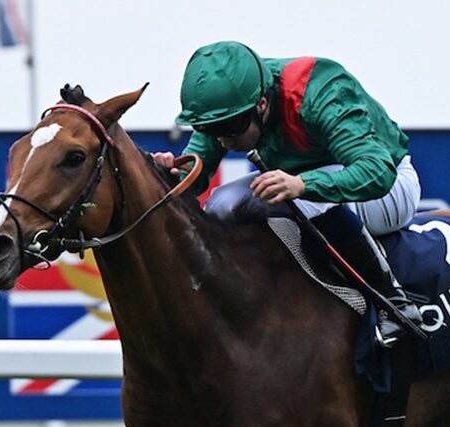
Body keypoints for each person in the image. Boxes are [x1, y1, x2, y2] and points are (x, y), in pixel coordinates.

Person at [152, 40, 424, 347]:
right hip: (318, 183)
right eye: (212, 129)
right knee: (221, 204)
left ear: (262, 105)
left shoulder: (320, 93)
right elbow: (196, 175)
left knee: (295, 199)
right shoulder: (230, 103)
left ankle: (395, 305)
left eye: (231, 128)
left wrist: (304, 184)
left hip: (389, 187)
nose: (223, 141)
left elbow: (377, 172)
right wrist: (169, 175)